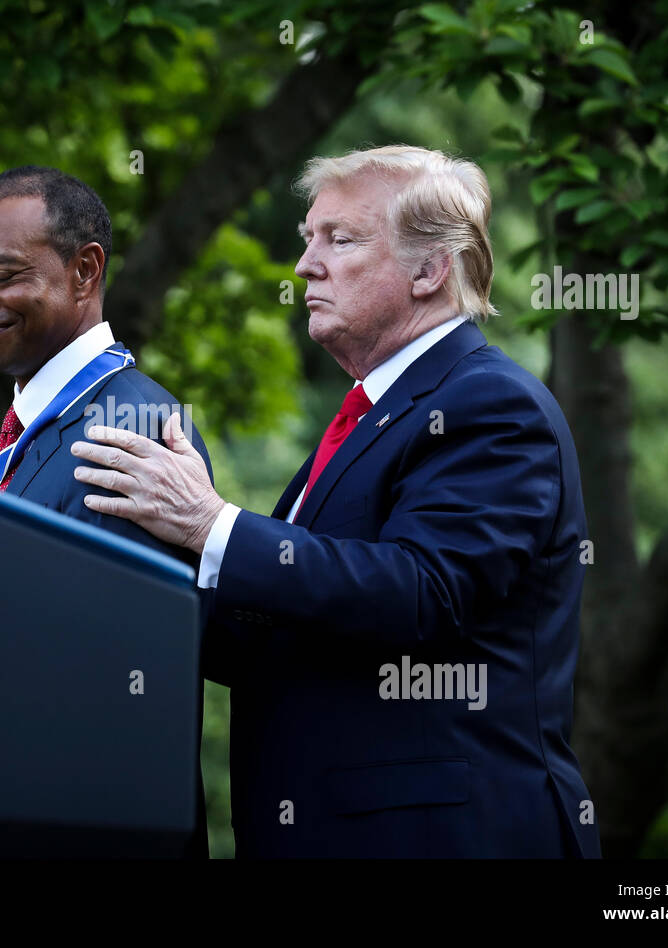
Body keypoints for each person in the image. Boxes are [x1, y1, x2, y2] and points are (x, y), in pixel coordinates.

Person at [72, 146, 601, 858]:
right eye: (307, 239)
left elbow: (423, 592)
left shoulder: (491, 404)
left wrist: (209, 523)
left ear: (429, 269)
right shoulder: (367, 417)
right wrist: (130, 565)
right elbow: (273, 636)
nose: (305, 266)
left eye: (339, 239)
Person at [0, 165, 212, 858]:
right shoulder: (38, 429)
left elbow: (112, 695)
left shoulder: (124, 429)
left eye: (2, 275)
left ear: (84, 271)